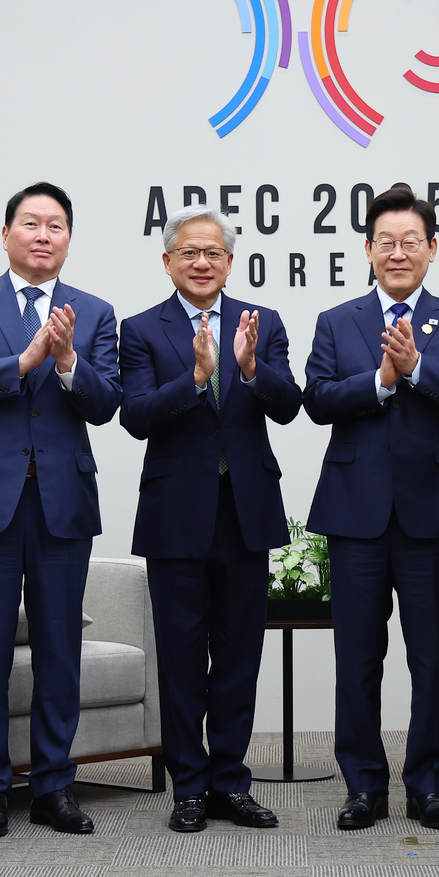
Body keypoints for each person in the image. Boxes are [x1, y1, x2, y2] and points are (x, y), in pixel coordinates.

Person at [0, 182, 122, 839]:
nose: (44, 234)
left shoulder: (93, 312)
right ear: (6, 233)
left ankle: (53, 785)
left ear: (69, 239)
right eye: (32, 223)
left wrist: (67, 361)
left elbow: (106, 403)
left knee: (59, 651)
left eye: (57, 225)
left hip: (61, 502)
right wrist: (23, 360)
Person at [303, 186, 439, 832]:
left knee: (431, 657)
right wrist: (381, 380)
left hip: (433, 514)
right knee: (357, 657)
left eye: (412, 241)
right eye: (387, 241)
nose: (399, 251)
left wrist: (415, 368)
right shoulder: (337, 320)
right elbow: (319, 397)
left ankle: (430, 783)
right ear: (368, 249)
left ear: (432, 249)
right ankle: (363, 784)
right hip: (355, 514)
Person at [119, 205, 302, 832]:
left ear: (230, 261)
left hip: (245, 513)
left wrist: (249, 368)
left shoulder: (263, 321)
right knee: (180, 658)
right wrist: (196, 377)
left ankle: (230, 781)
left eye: (213, 253)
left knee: (237, 657)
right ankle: (188, 788)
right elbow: (136, 415)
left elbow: (288, 406)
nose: (202, 263)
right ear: (168, 261)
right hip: (176, 515)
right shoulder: (142, 328)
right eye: (189, 253)